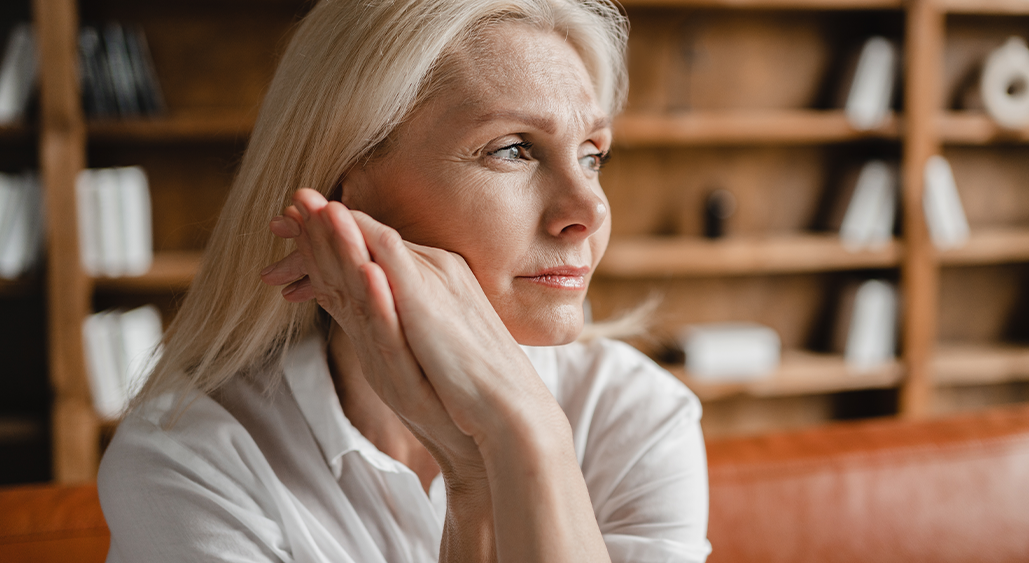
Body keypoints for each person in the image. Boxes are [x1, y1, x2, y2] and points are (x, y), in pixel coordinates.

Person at [97, 1, 710, 561]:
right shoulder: (188, 461)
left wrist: (527, 439)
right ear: (342, 191)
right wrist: (486, 469)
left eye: (591, 155)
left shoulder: (638, 415)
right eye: (513, 150)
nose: (589, 210)